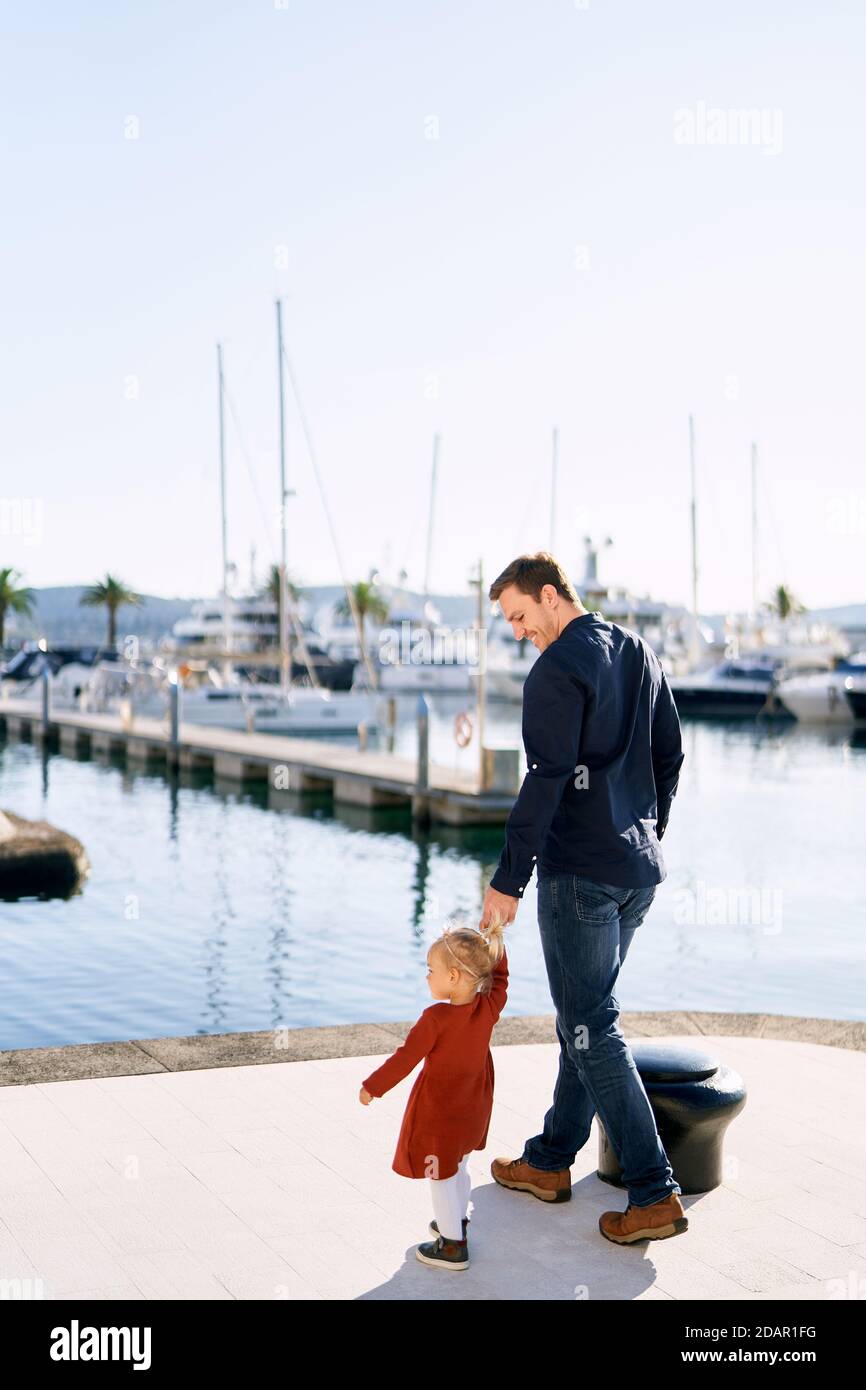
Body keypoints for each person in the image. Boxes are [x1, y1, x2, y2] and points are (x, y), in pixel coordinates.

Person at [478, 550, 689, 1245]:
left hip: (581, 877)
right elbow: (671, 754)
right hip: (637, 873)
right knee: (584, 1015)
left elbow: (547, 778)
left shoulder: (557, 670)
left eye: (518, 616)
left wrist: (509, 878)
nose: (517, 632)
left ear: (549, 597)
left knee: (591, 1025)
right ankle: (549, 1161)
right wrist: (644, 828)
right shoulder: (638, 650)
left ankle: (655, 1192)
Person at [359, 921, 509, 1270]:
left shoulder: (435, 1019)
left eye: (431, 971)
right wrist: (498, 947)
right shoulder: (487, 1009)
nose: (427, 977)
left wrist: (373, 1086)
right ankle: (455, 1221)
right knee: (459, 1164)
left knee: (439, 1175)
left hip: (442, 1109)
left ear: (454, 977)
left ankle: (452, 1246)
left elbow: (405, 1059)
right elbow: (500, 981)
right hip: (474, 1106)